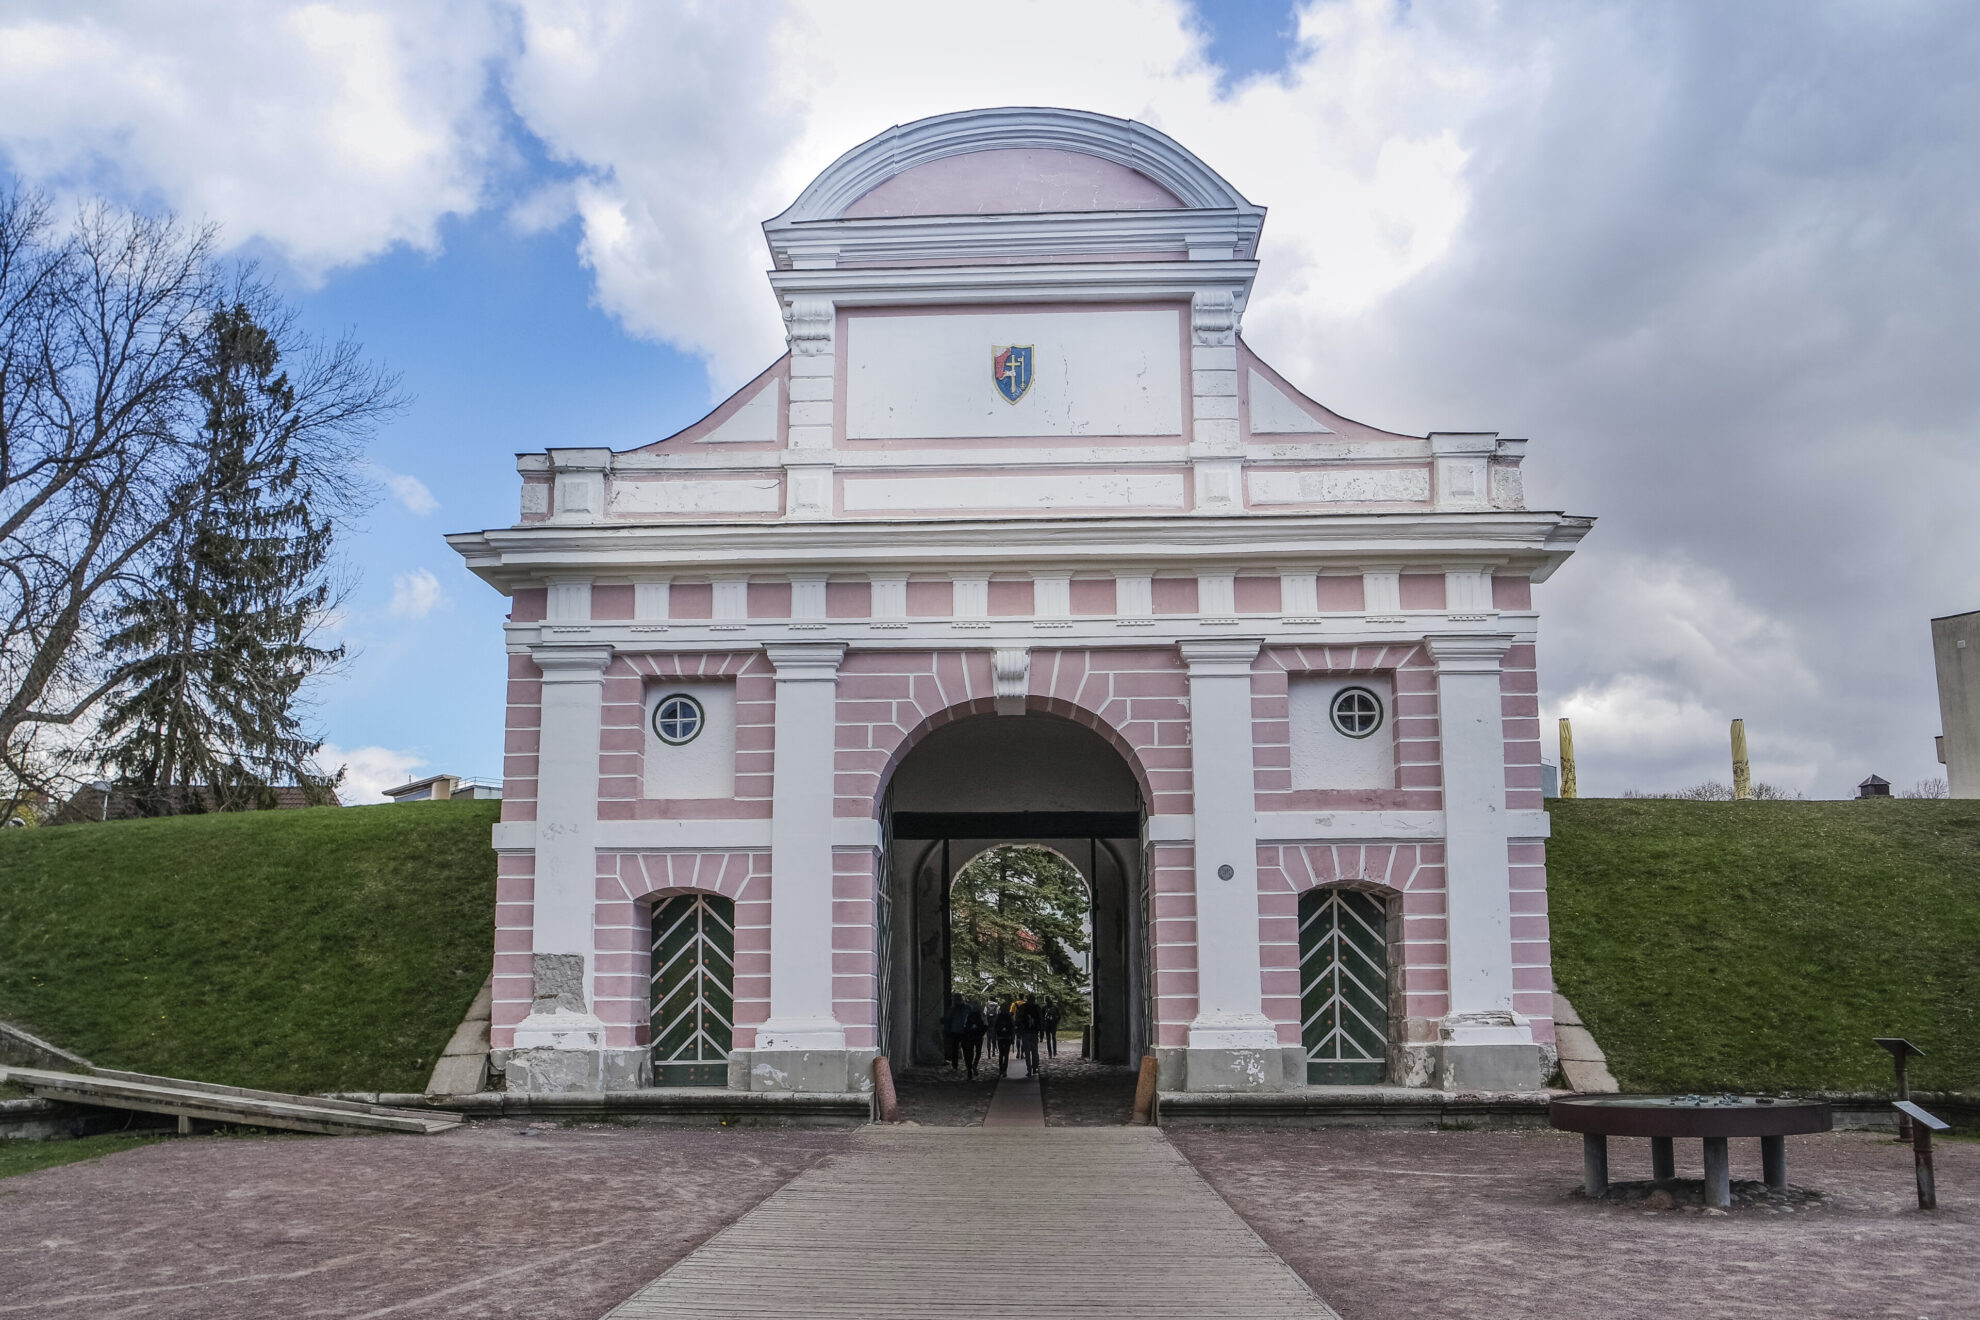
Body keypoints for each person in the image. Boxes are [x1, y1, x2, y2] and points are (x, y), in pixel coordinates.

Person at [942, 994, 970, 1069]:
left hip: (958, 1030)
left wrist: (943, 1020)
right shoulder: (966, 1007)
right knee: (963, 1049)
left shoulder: (954, 1008)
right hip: (961, 1030)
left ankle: (957, 1066)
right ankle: (967, 1065)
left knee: (957, 1049)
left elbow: (948, 1018)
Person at [960, 1002, 987, 1080]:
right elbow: (986, 1025)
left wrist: (967, 1032)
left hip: (970, 1036)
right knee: (978, 1052)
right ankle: (974, 1065)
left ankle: (969, 1070)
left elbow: (965, 1026)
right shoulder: (982, 1015)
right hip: (978, 1036)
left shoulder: (969, 1015)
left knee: (970, 1052)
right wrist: (981, 1033)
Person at [1015, 997, 1041, 1076]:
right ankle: (1034, 1067)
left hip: (1025, 1032)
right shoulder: (1037, 1007)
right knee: (1035, 1051)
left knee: (1027, 1052)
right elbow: (1041, 1019)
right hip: (1034, 1032)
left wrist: (1019, 1030)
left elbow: (1018, 1019)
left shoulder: (1023, 1007)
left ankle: (1029, 1069)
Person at [993, 1001, 1016, 1076]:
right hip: (1007, 1037)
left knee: (1001, 1054)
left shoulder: (998, 1016)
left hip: (1000, 1037)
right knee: (1006, 1054)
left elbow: (995, 1027)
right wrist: (1013, 1038)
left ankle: (1001, 1069)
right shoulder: (1009, 1016)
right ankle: (1004, 1070)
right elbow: (1012, 1028)